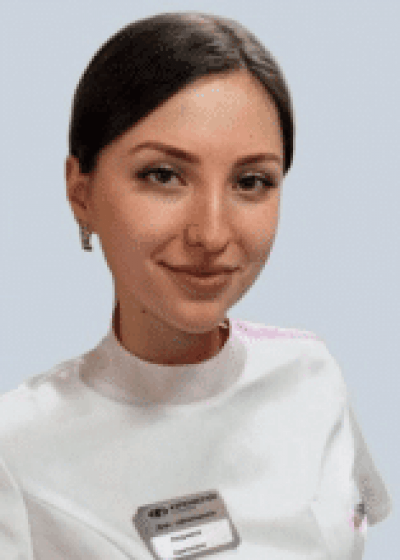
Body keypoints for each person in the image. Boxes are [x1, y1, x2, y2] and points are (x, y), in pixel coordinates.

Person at [0, 11, 392, 560]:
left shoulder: (312, 374)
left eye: (250, 181)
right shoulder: (16, 449)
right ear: (80, 193)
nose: (211, 234)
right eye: (163, 175)